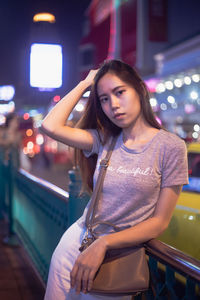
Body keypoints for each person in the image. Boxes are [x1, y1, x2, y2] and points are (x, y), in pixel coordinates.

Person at [41, 59, 188, 300]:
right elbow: (50, 126)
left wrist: (105, 243)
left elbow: (159, 222)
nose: (114, 105)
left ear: (139, 89)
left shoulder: (170, 147)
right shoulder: (106, 139)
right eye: (104, 99)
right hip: (77, 241)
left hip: (118, 256)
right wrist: (86, 84)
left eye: (120, 92)